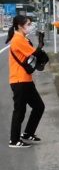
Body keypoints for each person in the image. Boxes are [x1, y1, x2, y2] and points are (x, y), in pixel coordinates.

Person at [6, 15, 46, 148]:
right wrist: (40, 46)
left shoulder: (22, 38)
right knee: (19, 110)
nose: (30, 26)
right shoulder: (17, 39)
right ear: (19, 25)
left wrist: (40, 47)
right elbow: (35, 53)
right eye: (28, 24)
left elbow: (34, 53)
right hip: (19, 80)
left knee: (39, 106)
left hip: (25, 80)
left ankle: (28, 133)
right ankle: (14, 140)